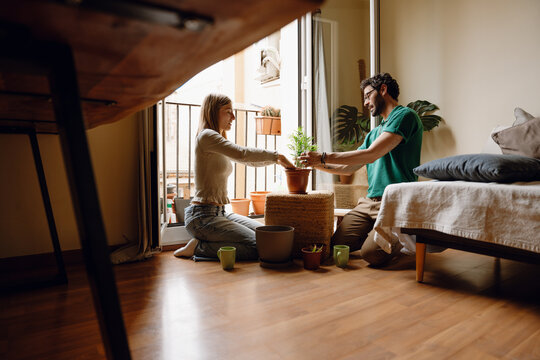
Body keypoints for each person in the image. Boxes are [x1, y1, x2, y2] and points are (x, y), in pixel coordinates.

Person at [299, 73, 423, 266]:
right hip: (369, 203)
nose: (365, 103)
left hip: (394, 203)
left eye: (367, 95)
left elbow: (372, 154)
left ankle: (405, 239)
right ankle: (379, 231)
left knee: (371, 254)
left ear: (383, 90)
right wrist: (316, 164)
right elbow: (348, 168)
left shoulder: (405, 116)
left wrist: (323, 156)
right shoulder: (373, 133)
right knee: (336, 245)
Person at [174, 93, 295, 260]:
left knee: (265, 236)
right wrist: (277, 156)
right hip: (202, 216)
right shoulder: (207, 136)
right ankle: (199, 247)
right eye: (228, 111)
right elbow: (242, 154)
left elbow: (247, 160)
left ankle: (204, 243)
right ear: (212, 111)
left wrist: (277, 162)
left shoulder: (218, 139)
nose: (234, 116)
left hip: (221, 213)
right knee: (258, 247)